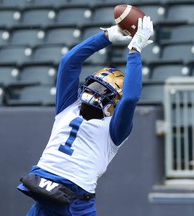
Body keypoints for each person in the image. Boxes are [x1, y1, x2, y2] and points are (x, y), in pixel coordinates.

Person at [18, 16, 154, 216]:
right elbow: (68, 62)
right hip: (48, 194)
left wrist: (135, 51)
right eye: (94, 86)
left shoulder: (113, 129)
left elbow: (131, 97)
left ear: (114, 105)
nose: (93, 93)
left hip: (71, 199)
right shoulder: (70, 105)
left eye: (103, 91)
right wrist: (106, 36)